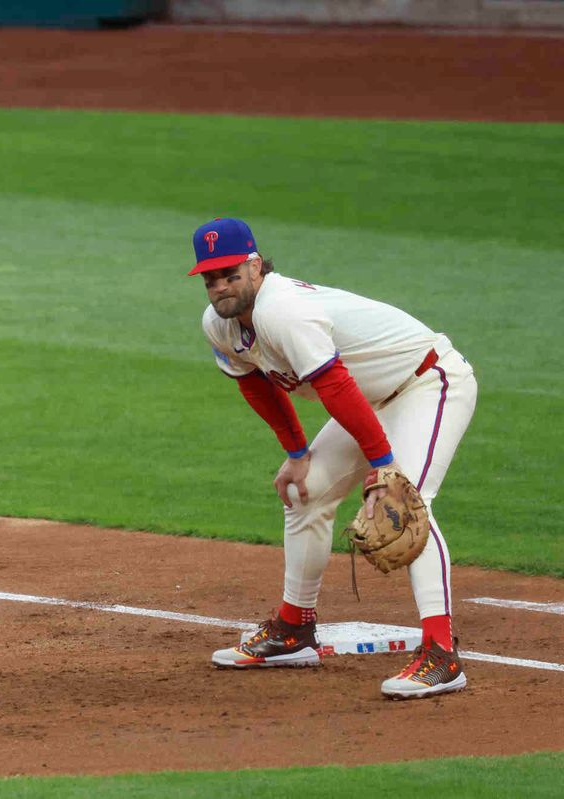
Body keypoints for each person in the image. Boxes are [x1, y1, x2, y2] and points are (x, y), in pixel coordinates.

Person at [190, 217, 475, 699]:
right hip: (369, 399)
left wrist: (383, 466)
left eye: (230, 273)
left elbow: (334, 385)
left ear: (255, 266)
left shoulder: (283, 311)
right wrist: (297, 453)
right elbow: (255, 385)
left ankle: (441, 655)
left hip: (427, 382)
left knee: (406, 503)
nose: (220, 285)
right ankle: (294, 629)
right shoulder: (219, 325)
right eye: (210, 277)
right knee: (306, 493)